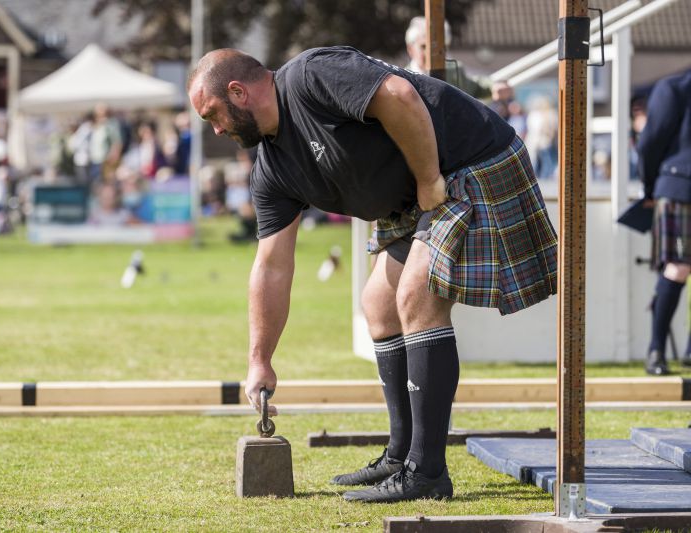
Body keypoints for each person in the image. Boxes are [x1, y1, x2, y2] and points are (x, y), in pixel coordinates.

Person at [188, 47, 558, 503]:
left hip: (470, 161)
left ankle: (427, 472)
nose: (217, 129)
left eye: (212, 115)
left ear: (238, 91)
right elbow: (272, 266)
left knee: (416, 296)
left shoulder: (309, 76)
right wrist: (259, 360)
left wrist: (427, 179)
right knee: (378, 305)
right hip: (416, 195)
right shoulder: (272, 169)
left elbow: (399, 95)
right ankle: (401, 455)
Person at [637, 70, 691, 374]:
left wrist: (650, 187)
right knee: (677, 268)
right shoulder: (673, 88)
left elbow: (649, 144)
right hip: (680, 187)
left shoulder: (671, 87)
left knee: (677, 267)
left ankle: (666, 350)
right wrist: (651, 188)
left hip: (674, 187)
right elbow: (650, 144)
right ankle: (656, 350)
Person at [404, 16, 490, 99]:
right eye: (424, 46)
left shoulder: (454, 71)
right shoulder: (403, 80)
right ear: (410, 49)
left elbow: (478, 87)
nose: (431, 53)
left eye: (439, 47)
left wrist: (494, 87)